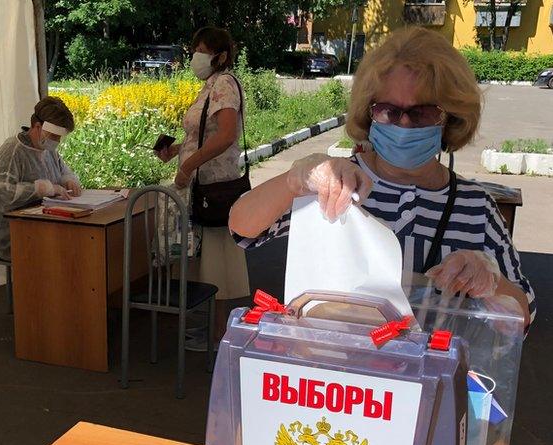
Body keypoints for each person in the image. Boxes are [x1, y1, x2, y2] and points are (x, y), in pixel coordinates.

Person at [229, 27, 535, 327]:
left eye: (423, 113)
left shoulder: (476, 208)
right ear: (368, 111)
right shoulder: (334, 184)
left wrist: (491, 281)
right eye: (388, 110)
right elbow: (244, 229)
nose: (403, 125)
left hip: (430, 376)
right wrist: (296, 179)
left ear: (451, 117)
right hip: (334, 373)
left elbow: (521, 316)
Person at [156, 26, 251, 348]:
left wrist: (188, 164)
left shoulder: (224, 84)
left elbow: (225, 136)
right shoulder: (210, 86)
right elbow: (205, 134)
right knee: (209, 259)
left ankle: (219, 333)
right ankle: (214, 328)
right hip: (202, 183)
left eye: (202, 50)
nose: (195, 57)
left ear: (220, 56)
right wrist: (176, 151)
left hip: (214, 186)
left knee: (217, 260)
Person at [0, 97, 82, 260]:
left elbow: (63, 171)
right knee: (66, 248)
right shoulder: (13, 150)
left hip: (43, 222)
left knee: (78, 240)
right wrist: (40, 189)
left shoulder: (48, 150)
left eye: (59, 137)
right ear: (38, 127)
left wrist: (68, 180)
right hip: (11, 231)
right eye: (54, 136)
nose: (56, 142)